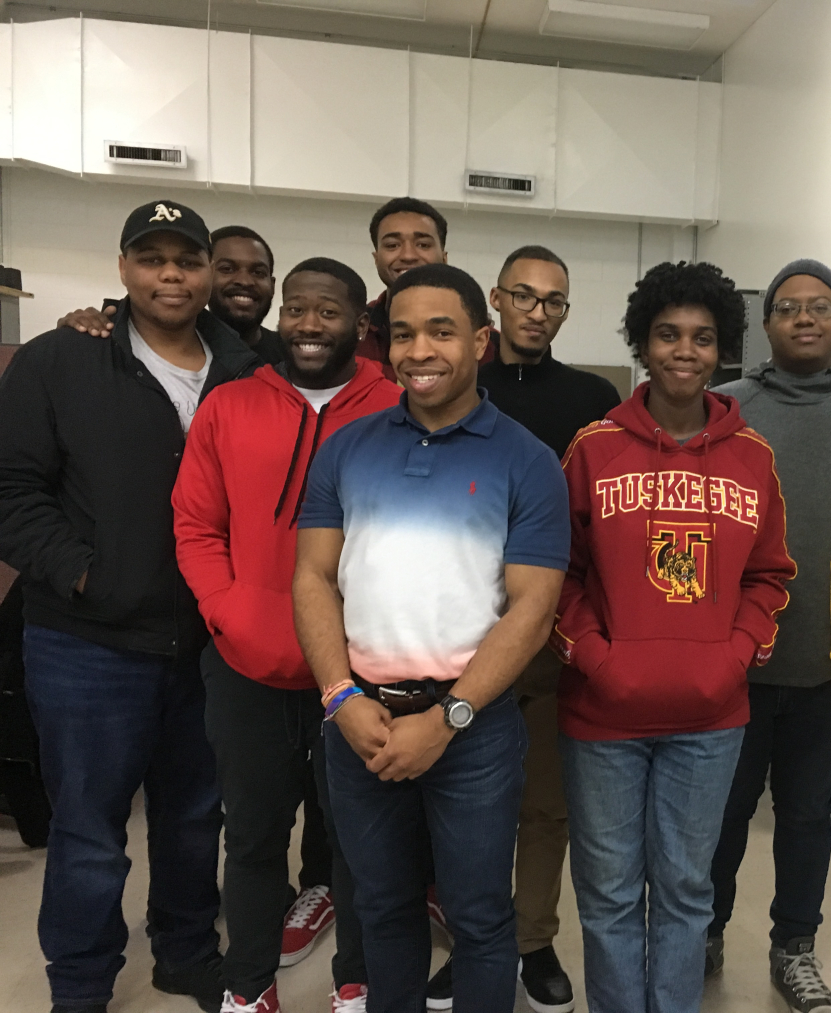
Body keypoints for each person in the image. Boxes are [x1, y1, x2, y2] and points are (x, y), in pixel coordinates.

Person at [0, 199, 261, 1013]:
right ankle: (79, 983)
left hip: (210, 644)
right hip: (88, 643)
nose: (172, 274)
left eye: (188, 259)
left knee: (193, 818)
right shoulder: (58, 360)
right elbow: (12, 489)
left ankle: (186, 952)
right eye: (152, 259)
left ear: (212, 273)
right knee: (88, 831)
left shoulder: (248, 370)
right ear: (123, 270)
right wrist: (84, 573)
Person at [292, 262, 570, 1013]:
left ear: (480, 339)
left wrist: (446, 721)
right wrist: (342, 698)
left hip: (471, 730)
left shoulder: (528, 461)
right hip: (360, 723)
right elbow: (314, 578)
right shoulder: (346, 449)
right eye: (404, 333)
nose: (420, 350)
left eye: (441, 331)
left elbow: (532, 609)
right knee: (381, 911)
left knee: (480, 919)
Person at [550, 260, 796, 1013]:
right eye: (667, 334)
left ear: (720, 349)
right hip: (602, 718)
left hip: (710, 720)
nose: (683, 350)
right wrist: (598, 659)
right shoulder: (593, 449)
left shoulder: (753, 457)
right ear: (642, 342)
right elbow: (560, 574)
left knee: (688, 891)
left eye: (701, 337)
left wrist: (732, 657)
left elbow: (770, 575)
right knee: (611, 892)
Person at [174, 257, 403, 1013]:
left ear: (359, 318)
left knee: (359, 843)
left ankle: (356, 980)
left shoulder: (397, 407)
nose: (309, 325)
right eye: (297, 309)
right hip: (247, 660)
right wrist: (229, 612)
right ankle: (248, 986)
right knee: (253, 836)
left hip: (362, 667)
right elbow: (197, 525)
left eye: (327, 311)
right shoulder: (232, 404)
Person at [708, 258, 831, 1011]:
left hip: (826, 670)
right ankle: (704, 930)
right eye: (788, 308)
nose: (804, 318)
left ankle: (794, 947)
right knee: (719, 816)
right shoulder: (722, 409)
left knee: (810, 818)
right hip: (731, 669)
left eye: (821, 307)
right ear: (765, 323)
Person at [470, 244, 620, 1012]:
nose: (536, 310)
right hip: (458, 629)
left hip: (554, 629)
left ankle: (532, 939)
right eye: (522, 296)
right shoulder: (460, 385)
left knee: (545, 803)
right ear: (495, 300)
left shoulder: (593, 399)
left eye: (552, 300)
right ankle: (475, 939)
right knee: (466, 801)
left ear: (566, 310)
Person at [57, 225, 285, 365]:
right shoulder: (108, 340)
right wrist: (74, 337)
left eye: (258, 272)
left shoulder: (291, 356)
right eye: (227, 269)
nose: (244, 281)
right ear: (210, 273)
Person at [355, 197, 454, 380]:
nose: (408, 255)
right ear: (376, 259)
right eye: (393, 245)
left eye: (423, 245)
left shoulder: (479, 336)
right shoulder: (353, 332)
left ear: (444, 257)